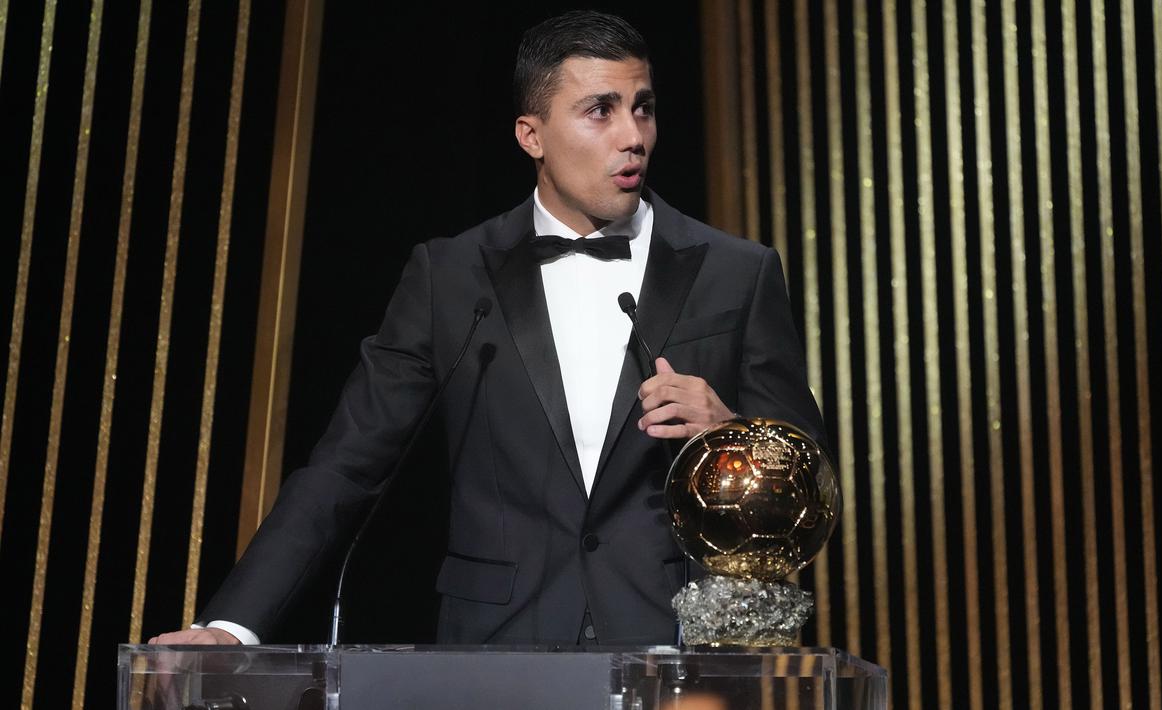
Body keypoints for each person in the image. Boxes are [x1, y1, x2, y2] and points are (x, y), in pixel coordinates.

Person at [151, 9, 824, 647]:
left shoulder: (738, 272)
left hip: (680, 642)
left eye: (642, 107)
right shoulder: (451, 278)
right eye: (600, 110)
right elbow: (345, 466)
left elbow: (810, 474)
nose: (633, 137)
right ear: (531, 134)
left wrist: (731, 433)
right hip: (497, 646)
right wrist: (231, 627)